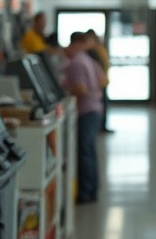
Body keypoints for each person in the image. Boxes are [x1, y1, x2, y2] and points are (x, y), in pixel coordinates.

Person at [62, 32, 104, 204]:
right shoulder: (88, 59)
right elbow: (103, 80)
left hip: (85, 111)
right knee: (89, 152)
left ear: (74, 44)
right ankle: (92, 189)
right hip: (95, 108)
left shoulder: (76, 63)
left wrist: (63, 93)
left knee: (84, 152)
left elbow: (80, 89)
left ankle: (85, 193)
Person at [86, 29, 113, 133]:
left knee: (104, 104)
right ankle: (100, 126)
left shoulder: (99, 47)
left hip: (102, 80)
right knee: (101, 104)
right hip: (98, 82)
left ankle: (103, 125)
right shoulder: (92, 50)